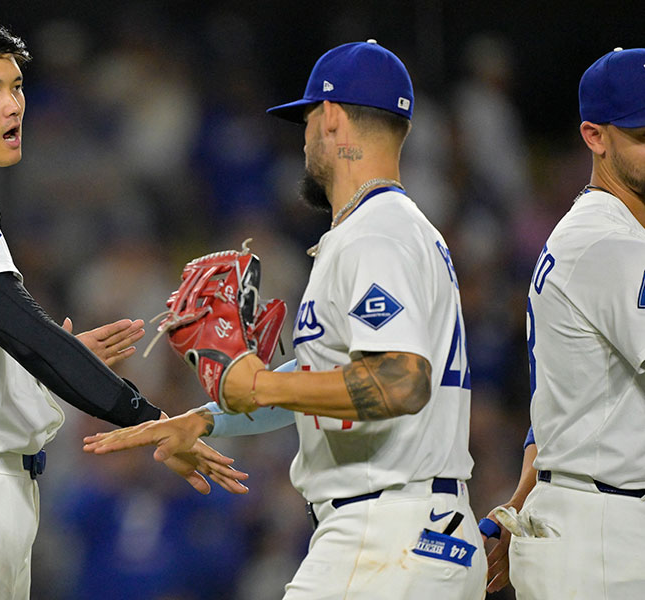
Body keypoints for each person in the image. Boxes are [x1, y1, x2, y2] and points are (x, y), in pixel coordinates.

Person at [0, 12, 247, 600]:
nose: (13, 107)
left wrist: (55, 358)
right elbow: (29, 334)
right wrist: (153, 422)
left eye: (16, 89)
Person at [84, 40, 486, 599]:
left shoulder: (375, 234)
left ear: (333, 118)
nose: (302, 139)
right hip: (412, 533)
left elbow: (401, 379)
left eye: (306, 120)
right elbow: (328, 377)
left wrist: (258, 381)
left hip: (385, 535)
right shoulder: (389, 230)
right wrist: (205, 419)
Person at [479, 47, 645, 599]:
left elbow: (554, 416)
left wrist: (521, 500)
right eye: (643, 134)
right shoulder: (608, 242)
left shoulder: (605, 232)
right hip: (606, 535)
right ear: (595, 136)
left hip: (590, 517)